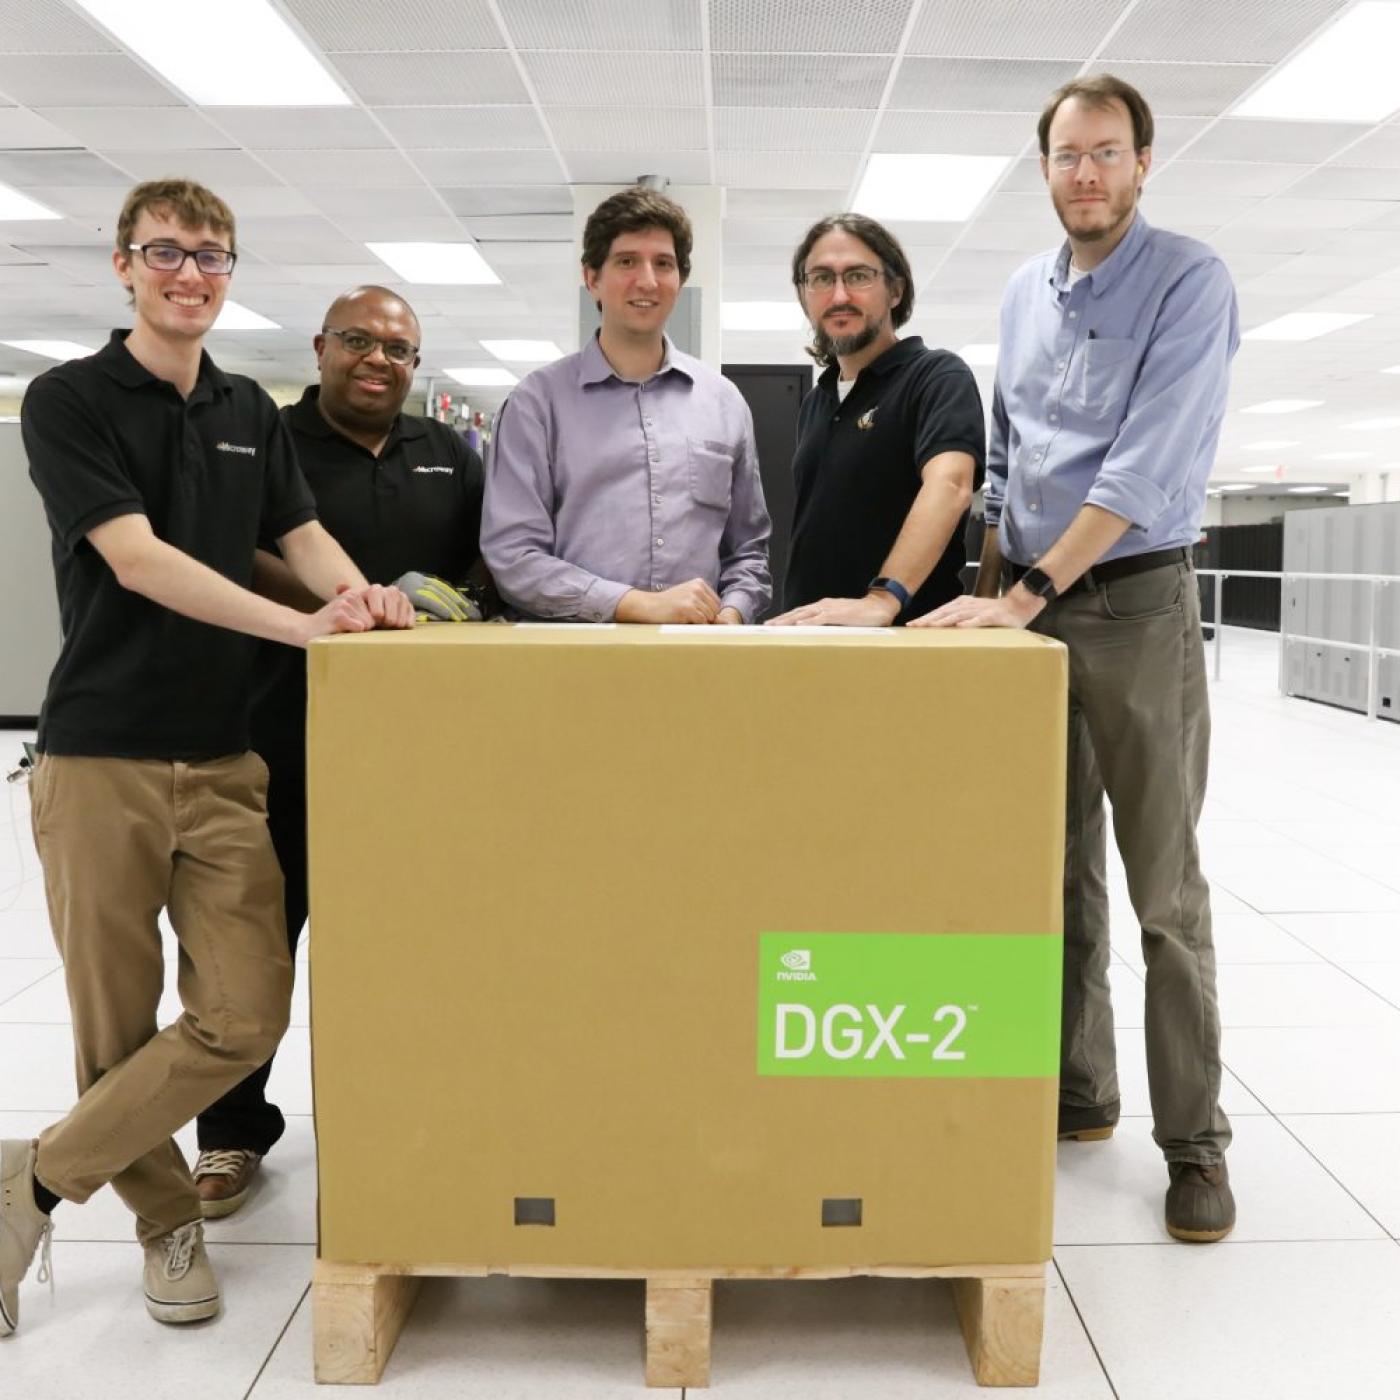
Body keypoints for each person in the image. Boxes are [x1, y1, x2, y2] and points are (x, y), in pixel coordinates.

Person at [0, 180, 412, 1334]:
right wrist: (303, 628)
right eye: (167, 253)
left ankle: (28, 1176)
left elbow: (299, 532)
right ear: (122, 264)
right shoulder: (69, 399)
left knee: (246, 1010)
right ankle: (162, 1222)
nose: (191, 273)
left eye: (212, 256)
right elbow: (135, 560)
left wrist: (361, 594)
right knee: (114, 1025)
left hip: (227, 759)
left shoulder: (248, 405)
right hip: (101, 756)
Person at [913, 76, 1239, 1243]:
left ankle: (1195, 1146)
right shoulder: (1020, 293)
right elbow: (1007, 457)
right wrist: (986, 593)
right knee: (1045, 873)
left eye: (1106, 152)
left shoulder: (1189, 281)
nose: (1085, 173)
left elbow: (1145, 467)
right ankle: (1077, 1086)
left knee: (1161, 892)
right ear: (1042, 167)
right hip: (1023, 607)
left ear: (1142, 162)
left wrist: (1029, 591)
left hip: (1134, 601)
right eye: (1065, 154)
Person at [190, 286, 486, 1217]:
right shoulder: (267, 439)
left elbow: (488, 563)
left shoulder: (449, 454)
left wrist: (445, 604)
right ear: (320, 347)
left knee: (421, 948)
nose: (377, 361)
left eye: (398, 349)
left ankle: (427, 1118)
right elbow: (231, 548)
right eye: (357, 341)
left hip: (421, 753)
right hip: (283, 732)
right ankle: (233, 1132)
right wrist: (335, 614)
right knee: (258, 947)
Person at [482, 185, 771, 624]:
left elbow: (749, 552)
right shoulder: (536, 404)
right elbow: (513, 556)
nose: (648, 281)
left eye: (664, 264)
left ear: (681, 279)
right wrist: (634, 604)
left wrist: (732, 613)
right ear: (592, 277)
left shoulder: (723, 402)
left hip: (697, 660)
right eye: (626, 261)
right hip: (574, 663)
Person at [767, 214, 983, 627]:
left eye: (859, 276)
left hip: (902, 643)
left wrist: (883, 599)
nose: (839, 295)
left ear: (896, 290)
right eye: (821, 279)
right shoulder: (818, 400)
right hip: (811, 638)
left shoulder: (937, 377)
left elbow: (952, 485)